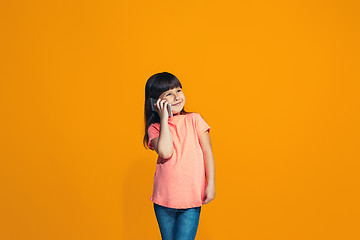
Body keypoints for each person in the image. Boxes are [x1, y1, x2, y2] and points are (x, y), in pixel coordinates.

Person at [143, 72, 216, 240]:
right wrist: (163, 119)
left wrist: (210, 183)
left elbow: (208, 153)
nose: (176, 97)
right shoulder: (155, 128)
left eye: (178, 90)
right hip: (164, 200)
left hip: (191, 199)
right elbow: (166, 152)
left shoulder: (195, 120)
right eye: (169, 93)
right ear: (156, 103)